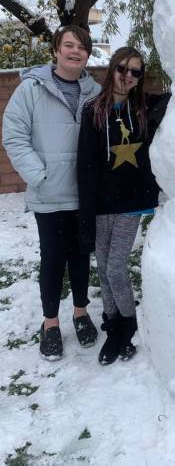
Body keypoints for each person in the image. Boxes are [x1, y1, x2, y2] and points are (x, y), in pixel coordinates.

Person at [2, 25, 100, 360]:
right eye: (69, 45)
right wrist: (38, 175)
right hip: (50, 194)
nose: (76, 51)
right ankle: (51, 323)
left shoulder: (94, 91)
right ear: (56, 50)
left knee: (81, 257)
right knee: (53, 259)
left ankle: (81, 312)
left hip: (84, 194)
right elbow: (14, 136)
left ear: (88, 54)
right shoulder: (31, 89)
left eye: (82, 47)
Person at [77, 46, 169, 366]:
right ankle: (112, 321)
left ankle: (126, 325)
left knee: (116, 266)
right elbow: (85, 167)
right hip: (102, 203)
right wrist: (86, 215)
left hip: (133, 201)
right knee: (102, 266)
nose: (127, 76)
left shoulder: (145, 107)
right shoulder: (93, 111)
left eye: (135, 72)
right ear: (111, 68)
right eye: (123, 69)